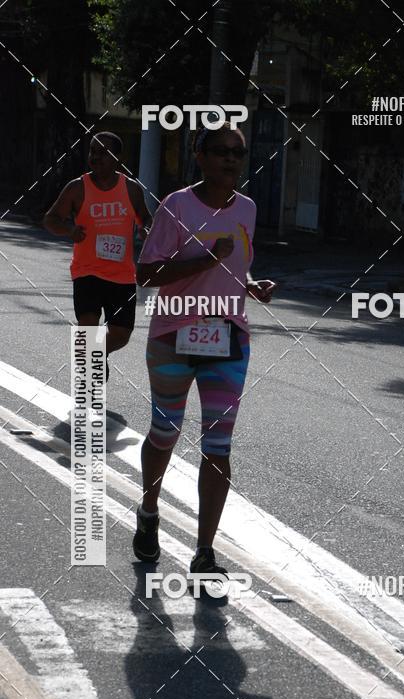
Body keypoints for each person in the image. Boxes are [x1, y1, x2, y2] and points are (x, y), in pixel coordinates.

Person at [132, 122, 275, 605]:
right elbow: (146, 273)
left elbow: (235, 266)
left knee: (218, 446)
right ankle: (149, 511)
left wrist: (249, 285)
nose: (230, 159)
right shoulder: (176, 206)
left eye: (238, 152)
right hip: (173, 335)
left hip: (228, 338)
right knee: (164, 433)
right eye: (220, 151)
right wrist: (205, 261)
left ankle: (204, 552)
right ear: (200, 156)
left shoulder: (248, 208)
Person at [44, 132, 152, 378]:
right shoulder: (77, 188)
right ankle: (88, 389)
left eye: (104, 152)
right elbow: (50, 219)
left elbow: (145, 217)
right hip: (87, 272)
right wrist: (69, 230)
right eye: (93, 151)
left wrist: (146, 228)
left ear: (118, 158)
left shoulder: (131, 189)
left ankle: (98, 353)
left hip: (122, 275)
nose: (96, 157)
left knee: (122, 334)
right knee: (88, 328)